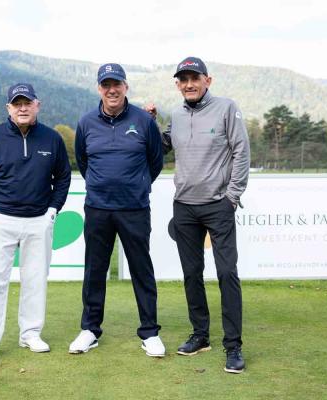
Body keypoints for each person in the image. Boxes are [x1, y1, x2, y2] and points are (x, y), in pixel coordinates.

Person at [147, 57, 250, 373]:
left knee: (227, 273)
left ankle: (233, 346)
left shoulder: (226, 107)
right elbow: (163, 145)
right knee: (192, 274)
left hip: (219, 205)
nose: (189, 84)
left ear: (208, 80)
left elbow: (241, 150)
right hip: (184, 206)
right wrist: (150, 122)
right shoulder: (177, 115)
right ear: (178, 84)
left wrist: (232, 196)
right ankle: (200, 335)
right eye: (183, 79)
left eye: (195, 78)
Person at [0, 83, 71, 364]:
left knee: (35, 280)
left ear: (38, 105)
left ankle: (31, 334)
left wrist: (53, 210)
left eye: (27, 103)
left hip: (39, 220)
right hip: (1, 219)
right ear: (8, 108)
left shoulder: (52, 139)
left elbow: (63, 177)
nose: (22, 108)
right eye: (17, 104)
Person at [69, 63, 165, 357]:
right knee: (94, 270)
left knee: (141, 269)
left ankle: (150, 332)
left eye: (117, 84)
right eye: (106, 85)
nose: (112, 90)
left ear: (126, 87)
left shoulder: (144, 121)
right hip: (98, 207)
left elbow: (155, 161)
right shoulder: (86, 122)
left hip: (134, 208)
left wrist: (137, 185)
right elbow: (83, 161)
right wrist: (102, 185)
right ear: (99, 88)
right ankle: (90, 330)